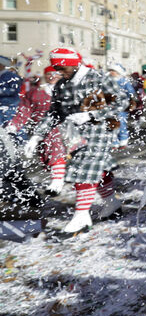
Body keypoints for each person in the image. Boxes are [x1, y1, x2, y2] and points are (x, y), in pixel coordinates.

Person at [24, 47, 127, 233]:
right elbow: (54, 112)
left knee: (83, 169)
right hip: (75, 135)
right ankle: (111, 203)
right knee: (98, 168)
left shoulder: (98, 78)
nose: (58, 73)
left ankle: (81, 216)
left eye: (62, 68)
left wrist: (92, 115)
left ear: (73, 64)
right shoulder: (62, 84)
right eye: (56, 69)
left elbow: (122, 101)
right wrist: (37, 135)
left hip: (100, 130)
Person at [7, 62, 68, 194]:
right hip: (40, 129)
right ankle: (59, 176)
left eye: (55, 74)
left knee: (56, 151)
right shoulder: (36, 92)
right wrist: (14, 125)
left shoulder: (67, 89)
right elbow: (24, 110)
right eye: (49, 74)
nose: (52, 76)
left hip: (62, 127)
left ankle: (57, 182)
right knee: (47, 154)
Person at [108, 63, 135, 148]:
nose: (111, 72)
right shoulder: (108, 81)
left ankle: (123, 140)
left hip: (122, 106)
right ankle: (114, 142)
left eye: (113, 71)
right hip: (111, 106)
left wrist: (132, 101)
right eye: (110, 71)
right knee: (112, 124)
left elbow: (131, 92)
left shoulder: (124, 81)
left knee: (122, 123)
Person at [0, 54, 22, 126]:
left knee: (10, 125)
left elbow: (15, 90)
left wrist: (2, 91)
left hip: (10, 105)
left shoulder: (12, 76)